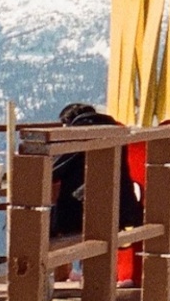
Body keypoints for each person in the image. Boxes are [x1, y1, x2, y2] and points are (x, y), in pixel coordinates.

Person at [48, 103, 144, 284]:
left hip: (82, 215)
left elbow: (52, 170)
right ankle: (86, 279)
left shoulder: (79, 134)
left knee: (37, 225)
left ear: (69, 123)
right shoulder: (115, 130)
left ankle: (53, 280)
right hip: (120, 211)